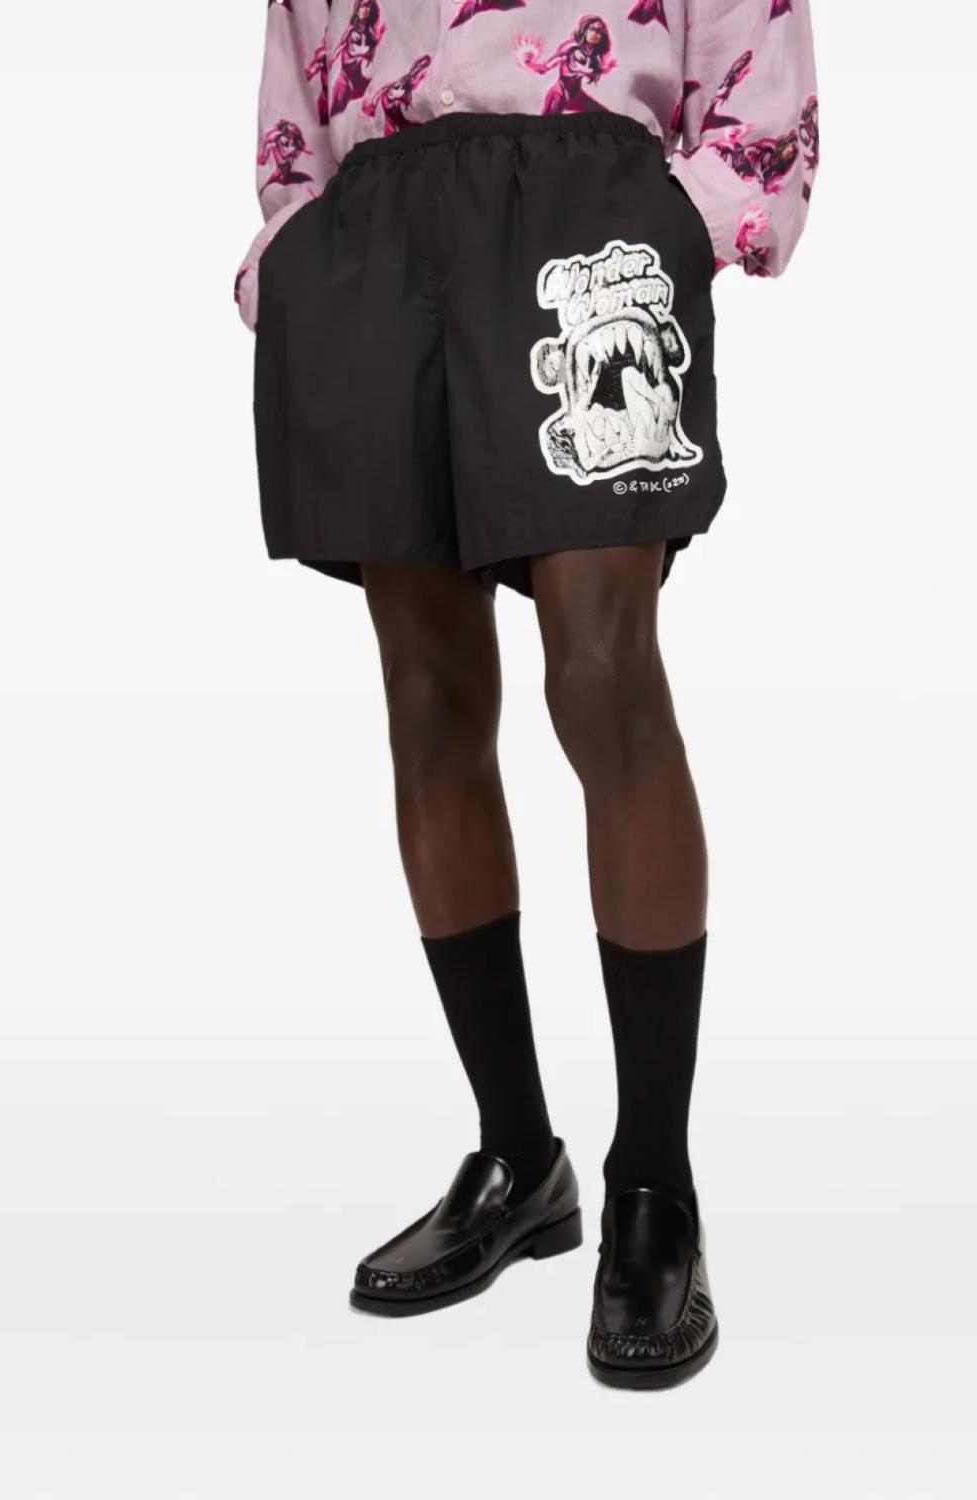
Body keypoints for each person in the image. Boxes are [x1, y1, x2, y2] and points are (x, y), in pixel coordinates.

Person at [236, 0, 817, 1391]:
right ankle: (516, 1157)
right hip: (375, 233)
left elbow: (759, 69)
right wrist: (297, 246)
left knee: (602, 671)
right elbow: (297, 75)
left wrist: (680, 218)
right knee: (427, 695)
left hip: (586, 223)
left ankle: (652, 1188)